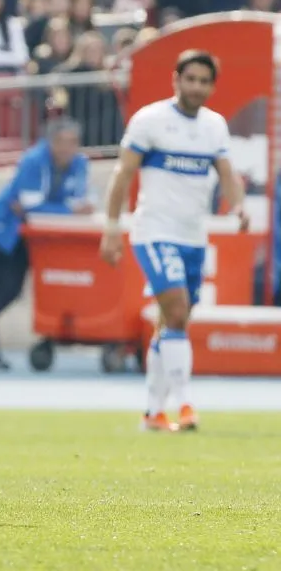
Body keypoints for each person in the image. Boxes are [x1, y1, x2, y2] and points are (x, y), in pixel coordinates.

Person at [99, 50, 247, 433]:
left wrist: (239, 206)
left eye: (204, 81)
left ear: (212, 87)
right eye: (190, 79)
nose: (196, 87)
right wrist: (112, 227)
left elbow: (226, 173)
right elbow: (123, 173)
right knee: (178, 313)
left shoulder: (214, 126)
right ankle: (185, 404)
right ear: (176, 80)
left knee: (172, 322)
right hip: (154, 231)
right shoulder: (150, 120)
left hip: (193, 236)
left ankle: (152, 412)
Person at [0, 119, 92, 370]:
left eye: (73, 143)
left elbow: (82, 201)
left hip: (25, 234)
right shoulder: (33, 160)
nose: (67, 148)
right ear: (51, 142)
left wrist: (63, 208)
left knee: (9, 290)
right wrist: (67, 209)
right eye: (62, 142)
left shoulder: (80, 164)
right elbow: (29, 204)